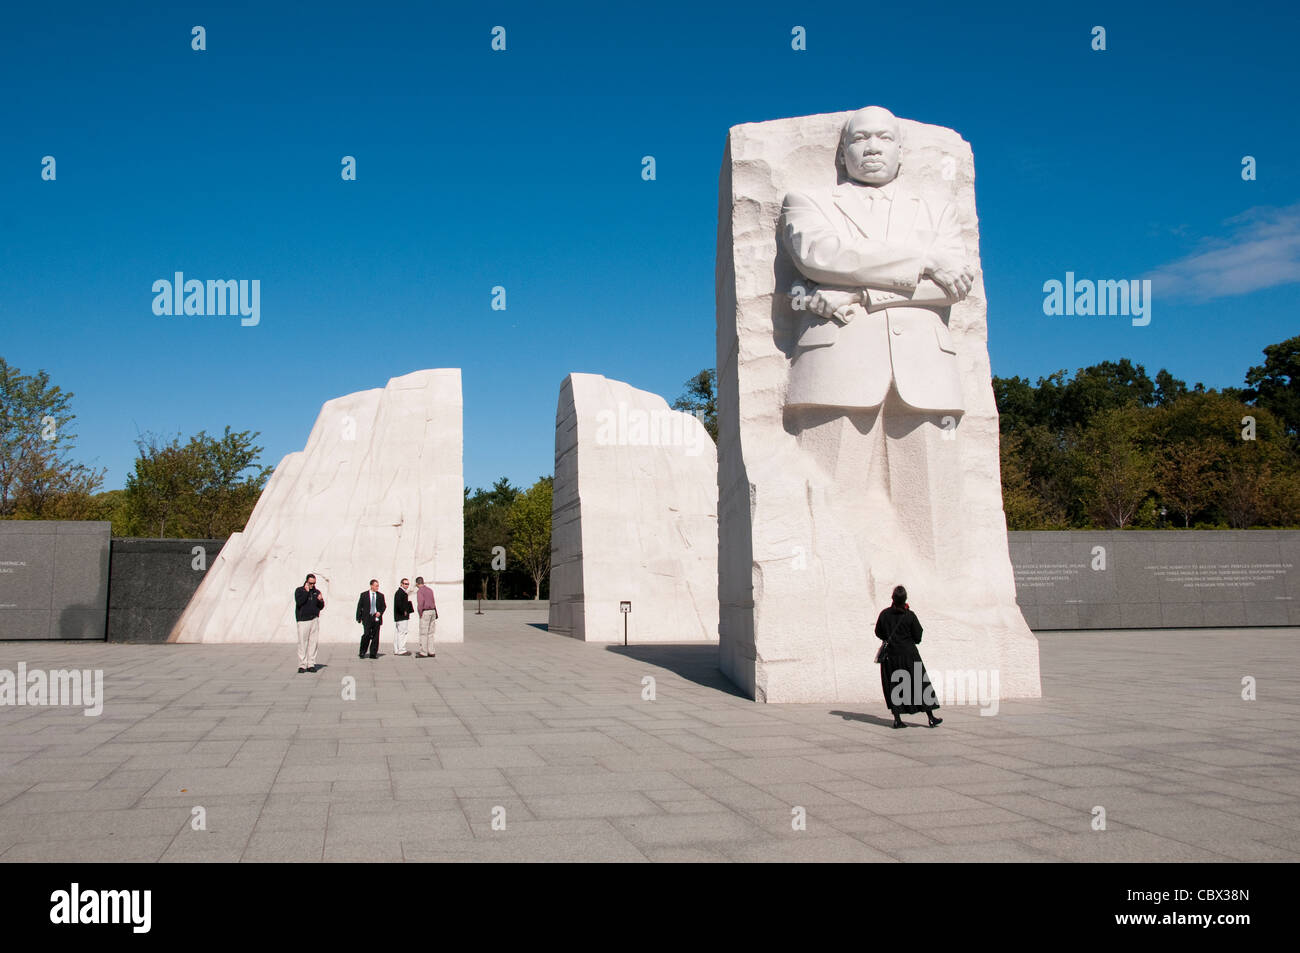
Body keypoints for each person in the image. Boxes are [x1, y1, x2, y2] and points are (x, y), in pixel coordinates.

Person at [874, 585, 941, 729]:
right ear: (905, 599)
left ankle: (897, 720)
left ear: (892, 598)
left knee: (894, 686)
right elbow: (918, 636)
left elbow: (878, 632)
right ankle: (930, 718)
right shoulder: (910, 616)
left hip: (891, 657)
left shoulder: (884, 614)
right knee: (920, 685)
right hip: (909, 655)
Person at [293, 572, 325, 673]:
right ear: (306, 582)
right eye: (310, 583)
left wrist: (321, 600)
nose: (312, 585)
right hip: (303, 620)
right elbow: (299, 602)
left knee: (313, 642)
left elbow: (321, 607)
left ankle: (311, 663)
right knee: (302, 643)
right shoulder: (299, 591)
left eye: (314, 583)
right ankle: (302, 665)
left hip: (314, 619)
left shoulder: (316, 592)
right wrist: (306, 592)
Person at [355, 579, 386, 659]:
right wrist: (358, 617)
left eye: (378, 586)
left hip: (376, 617)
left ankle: (373, 653)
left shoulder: (380, 595)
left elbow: (383, 606)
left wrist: (380, 612)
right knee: (366, 634)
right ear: (371, 585)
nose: (377, 587)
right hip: (367, 618)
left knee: (376, 636)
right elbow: (359, 606)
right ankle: (362, 652)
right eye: (376, 586)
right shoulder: (364, 595)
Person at [414, 576, 437, 658]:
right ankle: (431, 651)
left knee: (423, 633)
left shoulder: (420, 591)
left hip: (425, 612)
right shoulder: (430, 590)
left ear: (417, 583)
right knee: (431, 633)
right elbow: (433, 601)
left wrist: (420, 613)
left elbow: (420, 603)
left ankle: (423, 652)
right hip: (433, 611)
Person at [392, 578, 414, 656]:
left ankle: (397, 650)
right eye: (405, 583)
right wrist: (404, 611)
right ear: (401, 584)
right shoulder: (400, 592)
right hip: (402, 617)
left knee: (398, 633)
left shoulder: (401, 592)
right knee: (403, 633)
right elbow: (399, 604)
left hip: (399, 617)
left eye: (407, 584)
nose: (406, 585)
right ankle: (401, 650)